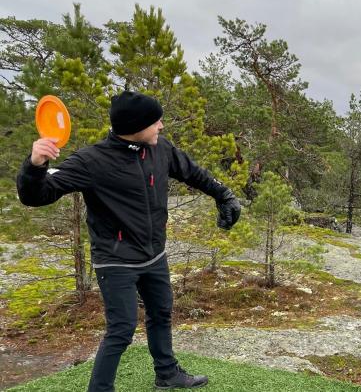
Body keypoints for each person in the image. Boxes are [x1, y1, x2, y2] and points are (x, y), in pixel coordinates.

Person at [16, 91, 241, 391]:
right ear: (135, 125)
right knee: (121, 329)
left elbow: (194, 173)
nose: (161, 126)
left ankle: (167, 374)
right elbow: (35, 196)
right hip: (116, 259)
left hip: (154, 255)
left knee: (161, 313)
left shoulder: (160, 149)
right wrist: (34, 166)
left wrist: (223, 194)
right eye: (155, 121)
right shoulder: (91, 161)